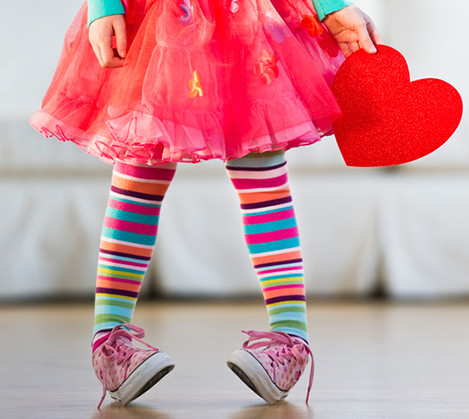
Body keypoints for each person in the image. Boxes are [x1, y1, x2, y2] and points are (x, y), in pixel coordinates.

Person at [30, 0, 381, 409]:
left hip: (248, 16)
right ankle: (109, 342)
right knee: (140, 166)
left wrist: (330, 6)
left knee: (262, 175)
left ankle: (291, 338)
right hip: (156, 17)